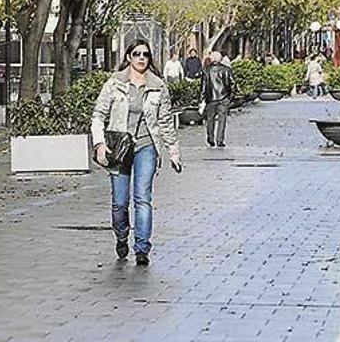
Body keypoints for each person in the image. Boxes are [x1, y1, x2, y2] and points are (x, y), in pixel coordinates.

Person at [91, 39, 182, 266]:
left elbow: (165, 121)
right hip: (118, 148)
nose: (141, 58)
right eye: (136, 54)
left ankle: (142, 248)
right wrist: (100, 144)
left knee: (142, 198)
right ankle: (122, 236)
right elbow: (98, 116)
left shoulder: (158, 86)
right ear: (129, 57)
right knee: (120, 203)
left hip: (146, 146)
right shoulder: (115, 83)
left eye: (145, 54)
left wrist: (173, 151)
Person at [200, 51, 237, 148]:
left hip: (211, 99)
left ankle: (210, 139)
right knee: (222, 120)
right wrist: (230, 97)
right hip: (223, 98)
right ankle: (220, 140)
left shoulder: (206, 70)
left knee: (210, 120)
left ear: (212, 59)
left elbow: (203, 87)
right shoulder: (226, 70)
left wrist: (202, 99)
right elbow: (232, 84)